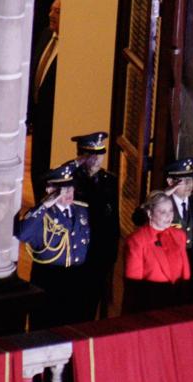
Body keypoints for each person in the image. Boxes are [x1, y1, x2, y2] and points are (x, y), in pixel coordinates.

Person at [15, 161, 92, 329]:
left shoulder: (81, 210)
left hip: (76, 277)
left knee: (75, 326)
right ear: (50, 191)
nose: (69, 193)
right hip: (49, 279)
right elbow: (22, 234)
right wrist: (44, 205)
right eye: (62, 190)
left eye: (70, 188)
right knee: (46, 326)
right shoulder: (42, 215)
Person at [71, 132, 120, 319]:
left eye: (101, 155)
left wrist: (112, 252)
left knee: (94, 300)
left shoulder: (109, 180)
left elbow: (113, 218)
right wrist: (75, 164)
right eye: (92, 155)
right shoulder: (71, 180)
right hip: (78, 251)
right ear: (82, 156)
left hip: (100, 251)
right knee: (76, 301)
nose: (98, 160)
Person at [123, 191, 190, 313]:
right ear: (150, 213)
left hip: (177, 302)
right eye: (163, 212)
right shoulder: (137, 240)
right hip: (150, 304)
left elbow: (185, 272)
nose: (169, 216)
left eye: (171, 211)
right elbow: (133, 285)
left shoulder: (179, 235)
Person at [163, 157, 193, 300]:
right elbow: (139, 217)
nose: (189, 184)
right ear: (170, 182)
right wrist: (163, 195)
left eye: (190, 179)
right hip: (170, 271)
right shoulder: (162, 204)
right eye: (183, 180)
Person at [28, 0, 61, 201]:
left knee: (48, 170)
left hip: (54, 122)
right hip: (38, 118)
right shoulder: (46, 35)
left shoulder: (70, 49)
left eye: (56, 11)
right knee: (37, 168)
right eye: (51, 9)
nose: (50, 14)